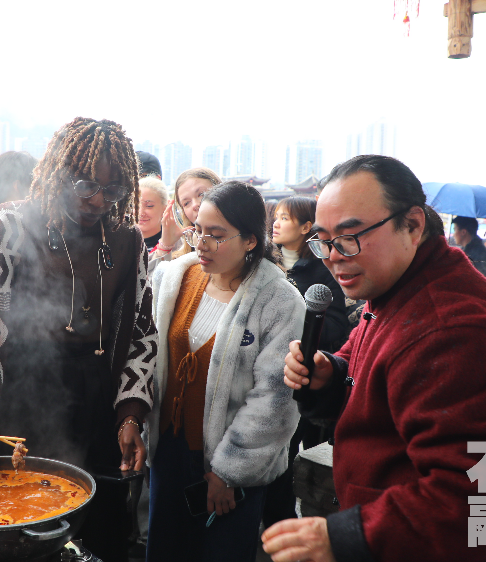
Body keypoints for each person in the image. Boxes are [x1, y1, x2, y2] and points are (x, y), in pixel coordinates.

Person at [266, 155, 486, 562]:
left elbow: (480, 494)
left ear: (413, 225)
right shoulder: (395, 289)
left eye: (350, 236)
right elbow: (365, 370)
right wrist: (329, 374)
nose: (333, 256)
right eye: (324, 240)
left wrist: (347, 537)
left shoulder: (452, 332)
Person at [0, 117, 156, 562]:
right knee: (10, 524)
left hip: (96, 401)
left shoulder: (127, 239)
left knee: (98, 529)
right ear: (59, 173)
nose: (98, 201)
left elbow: (140, 334)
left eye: (112, 191)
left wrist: (131, 415)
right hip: (16, 393)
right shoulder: (9, 226)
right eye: (86, 186)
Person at [145, 181, 304, 562]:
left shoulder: (278, 301)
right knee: (164, 549)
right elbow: (148, 352)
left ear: (250, 240)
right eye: (197, 230)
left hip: (230, 462)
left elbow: (275, 399)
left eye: (216, 236)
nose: (201, 244)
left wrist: (229, 472)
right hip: (169, 450)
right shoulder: (176, 278)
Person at [263, 195, 350, 527]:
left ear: (306, 227)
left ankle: (282, 523)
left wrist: (297, 325)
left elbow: (337, 326)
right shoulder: (264, 265)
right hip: (267, 375)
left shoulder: (321, 271)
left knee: (289, 455)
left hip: (303, 373)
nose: (276, 223)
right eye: (275, 217)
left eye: (285, 218)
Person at [149, 168, 222, 263]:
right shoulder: (180, 260)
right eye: (186, 203)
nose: (195, 205)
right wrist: (165, 245)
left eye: (202, 194)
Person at [452, 215, 486, 285]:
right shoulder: (466, 250)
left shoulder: (479, 254)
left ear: (463, 232)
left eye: (455, 230)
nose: (453, 235)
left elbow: (480, 281)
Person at [138, 176, 168, 250]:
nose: (140, 212)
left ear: (165, 209)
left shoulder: (177, 246)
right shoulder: (119, 243)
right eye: (135, 205)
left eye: (149, 206)